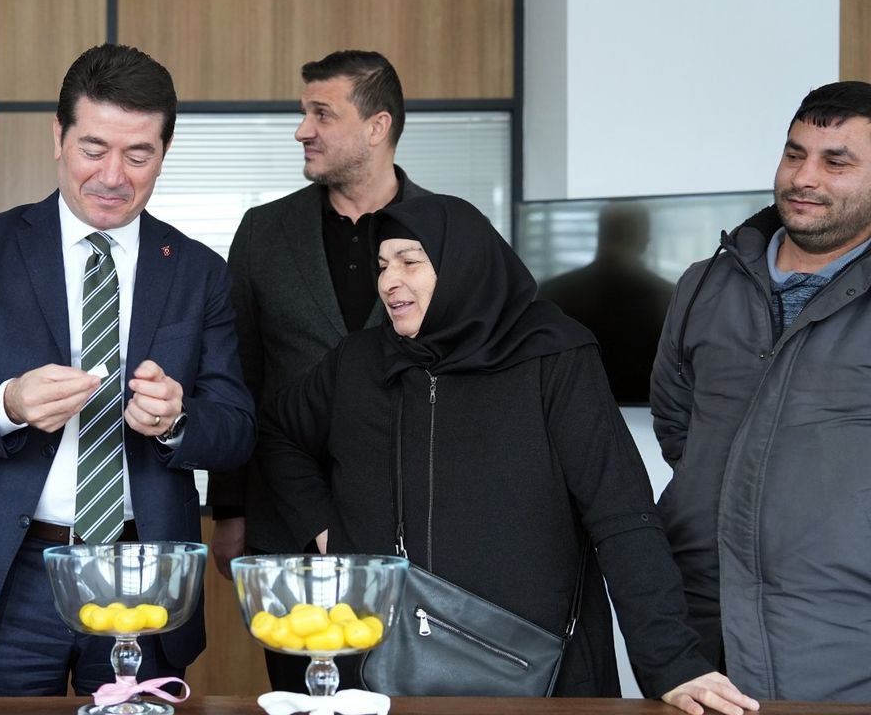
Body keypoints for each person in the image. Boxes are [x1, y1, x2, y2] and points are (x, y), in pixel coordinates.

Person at [260, 195, 760, 715]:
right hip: (384, 667)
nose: (389, 281)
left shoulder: (554, 356)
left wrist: (672, 663)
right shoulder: (359, 362)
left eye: (410, 261)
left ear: (462, 265)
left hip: (537, 666)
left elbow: (621, 515)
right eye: (383, 265)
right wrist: (327, 529)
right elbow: (276, 432)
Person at [0, 43, 255, 696]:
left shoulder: (199, 271)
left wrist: (178, 420)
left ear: (164, 152)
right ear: (58, 137)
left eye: (138, 155)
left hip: (143, 573)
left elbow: (235, 430)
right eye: (93, 148)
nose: (113, 176)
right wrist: (9, 403)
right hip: (7, 573)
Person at [206, 50, 431, 691]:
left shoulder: (445, 229)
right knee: (299, 698)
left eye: (321, 114)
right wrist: (230, 510)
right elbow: (238, 373)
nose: (302, 130)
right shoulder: (263, 231)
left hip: (414, 521)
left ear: (377, 126)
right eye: (303, 112)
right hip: (286, 524)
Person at [652, 81, 871, 702]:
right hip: (702, 628)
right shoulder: (703, 284)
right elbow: (677, 425)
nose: (804, 177)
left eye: (836, 162)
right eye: (794, 154)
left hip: (842, 634)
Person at [538, 202, 673, 403]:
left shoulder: (554, 291)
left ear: (600, 235)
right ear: (645, 240)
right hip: (651, 409)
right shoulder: (669, 295)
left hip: (570, 409)